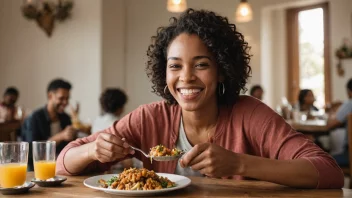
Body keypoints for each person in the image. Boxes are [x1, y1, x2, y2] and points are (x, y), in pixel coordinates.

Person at [56, 9, 343, 188]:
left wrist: (240, 164)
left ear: (221, 71)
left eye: (202, 65)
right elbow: (63, 163)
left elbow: (328, 172)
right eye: (175, 65)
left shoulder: (250, 114)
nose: (186, 77)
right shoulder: (150, 117)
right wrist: (94, 150)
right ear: (163, 72)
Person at [22, 79, 78, 171]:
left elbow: (69, 147)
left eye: (67, 98)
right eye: (61, 98)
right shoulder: (34, 118)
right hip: (37, 171)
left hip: (62, 168)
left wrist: (74, 135)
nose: (65, 102)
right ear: (50, 96)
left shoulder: (66, 118)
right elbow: (30, 152)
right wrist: (60, 136)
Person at [329, 78, 352, 166]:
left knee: (323, 160)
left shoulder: (349, 104)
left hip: (349, 154)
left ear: (349, 92)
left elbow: (330, 125)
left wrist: (331, 112)